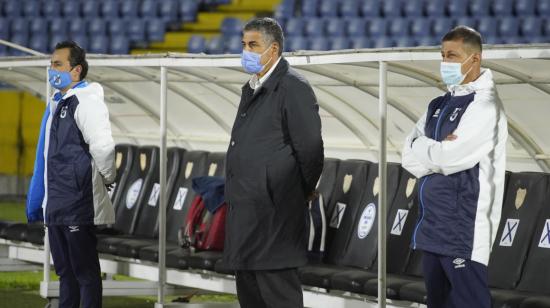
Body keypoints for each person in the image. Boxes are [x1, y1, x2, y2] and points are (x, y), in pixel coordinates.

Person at [402, 26, 508, 308]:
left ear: (475, 59)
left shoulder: (485, 106)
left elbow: (449, 158)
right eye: (442, 55)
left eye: (452, 55)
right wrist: (433, 151)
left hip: (464, 230)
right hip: (432, 227)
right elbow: (407, 156)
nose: (445, 62)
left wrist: (426, 148)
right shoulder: (439, 103)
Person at [223, 18, 324, 308]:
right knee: (251, 295)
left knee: (278, 295)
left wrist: (295, 190)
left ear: (274, 48)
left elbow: (311, 150)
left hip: (275, 214)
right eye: (243, 44)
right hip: (247, 213)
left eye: (253, 45)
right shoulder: (252, 87)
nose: (246, 50)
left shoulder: (293, 87)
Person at [26, 41, 116, 308]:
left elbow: (103, 147)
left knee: (85, 273)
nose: (51, 69)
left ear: (76, 70)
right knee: (66, 273)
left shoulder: (87, 102)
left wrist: (108, 177)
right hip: (56, 204)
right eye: (51, 64)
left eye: (57, 64)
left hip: (77, 204)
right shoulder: (57, 103)